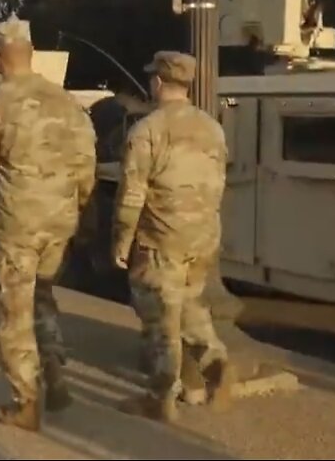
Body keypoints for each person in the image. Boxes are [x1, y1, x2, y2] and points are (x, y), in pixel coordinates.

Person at [0, 16, 97, 432]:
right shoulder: (68, 103)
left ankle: (26, 403)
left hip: (18, 226)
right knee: (43, 296)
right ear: (31, 53)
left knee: (15, 314)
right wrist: (78, 213)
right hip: (59, 223)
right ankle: (55, 373)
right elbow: (87, 169)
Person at [111, 51, 234, 423]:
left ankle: (160, 398)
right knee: (192, 305)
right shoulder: (212, 128)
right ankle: (216, 365)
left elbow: (133, 194)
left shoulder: (147, 130)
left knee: (160, 317)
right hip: (203, 235)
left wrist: (121, 240)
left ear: (159, 82)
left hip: (162, 237)